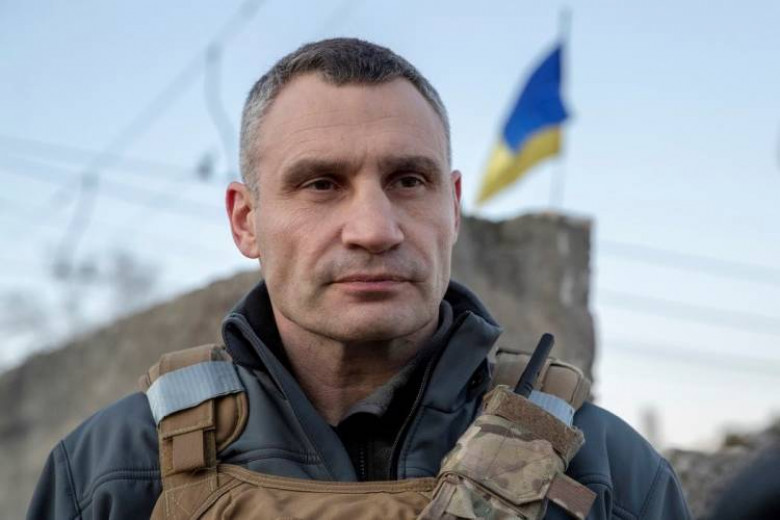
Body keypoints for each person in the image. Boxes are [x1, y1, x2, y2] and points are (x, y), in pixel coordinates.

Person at [28, 38, 691, 519]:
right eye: (321, 184)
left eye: (409, 181)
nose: (374, 229)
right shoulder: (113, 470)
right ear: (246, 221)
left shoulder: (606, 471)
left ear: (453, 208)